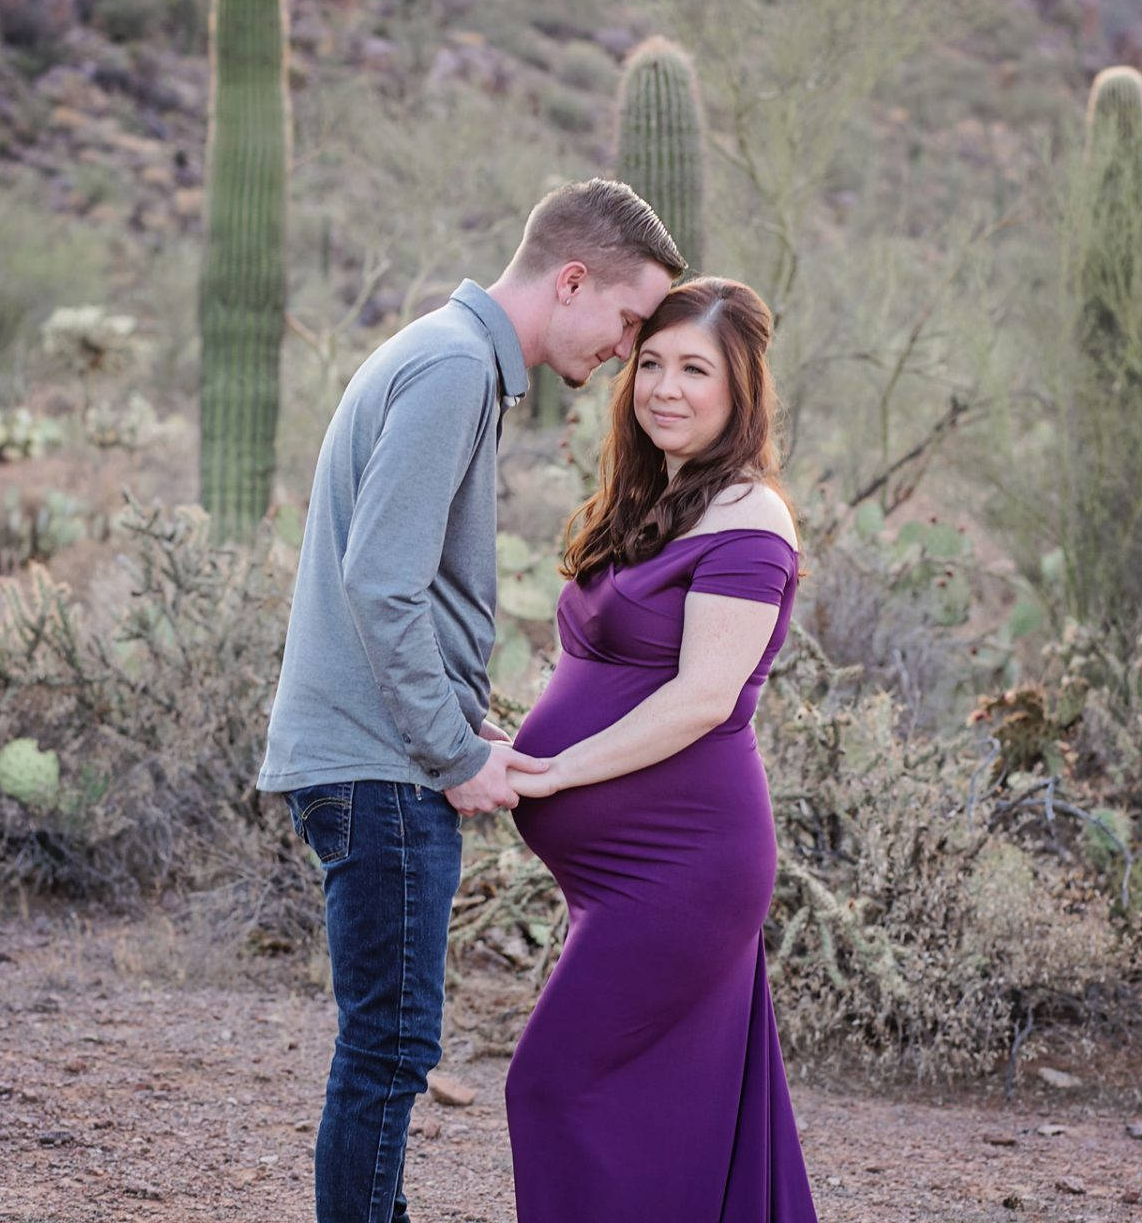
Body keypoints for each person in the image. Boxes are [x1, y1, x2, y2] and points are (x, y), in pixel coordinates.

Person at [258, 177, 684, 1223]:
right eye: (630, 321)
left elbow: (399, 582)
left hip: (372, 756)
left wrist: (462, 720)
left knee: (387, 1042)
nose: (629, 353)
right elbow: (381, 579)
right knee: (390, 1046)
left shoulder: (447, 356)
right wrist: (452, 751)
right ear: (573, 279)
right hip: (379, 768)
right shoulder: (452, 366)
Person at [504, 276, 820, 1222]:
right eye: (651, 365)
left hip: (682, 870)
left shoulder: (749, 522)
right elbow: (602, 665)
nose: (665, 389)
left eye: (696, 370)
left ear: (741, 391)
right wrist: (510, 734)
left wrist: (555, 771)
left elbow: (699, 700)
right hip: (619, 876)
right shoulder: (668, 498)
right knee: (668, 1113)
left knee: (553, 1087)